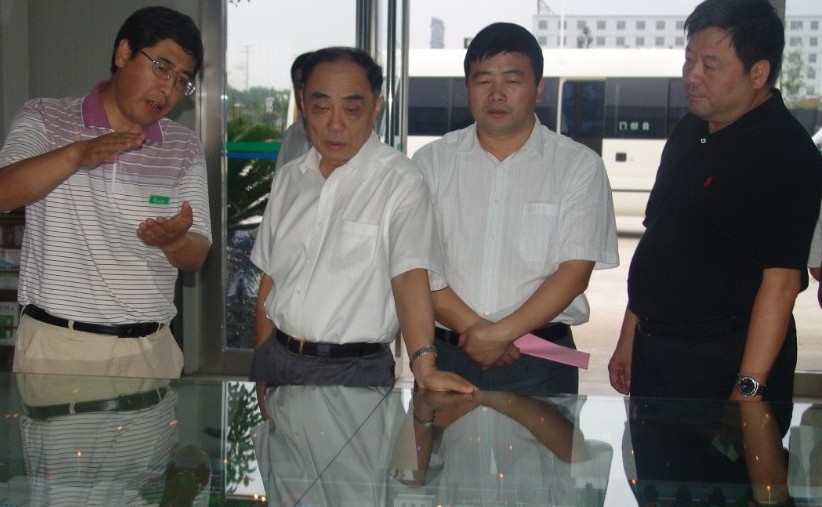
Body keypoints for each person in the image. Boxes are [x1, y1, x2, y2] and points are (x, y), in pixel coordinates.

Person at [608, 0, 822, 406]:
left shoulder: (786, 152)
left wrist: (749, 388)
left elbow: (781, 284)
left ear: (758, 73)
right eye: (689, 60)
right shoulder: (689, 130)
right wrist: (629, 335)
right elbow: (659, 240)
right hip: (656, 350)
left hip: (723, 360)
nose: (692, 76)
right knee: (652, 449)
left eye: (710, 65)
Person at [250, 47, 475, 400]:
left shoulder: (401, 182)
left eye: (352, 109)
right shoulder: (290, 178)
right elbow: (270, 278)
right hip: (279, 358)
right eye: (321, 108)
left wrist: (425, 365)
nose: (335, 125)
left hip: (354, 371)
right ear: (304, 106)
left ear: (376, 107)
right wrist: (262, 361)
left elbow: (409, 277)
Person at [0, 6, 211, 379]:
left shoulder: (184, 146)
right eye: (161, 68)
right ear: (123, 53)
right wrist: (76, 155)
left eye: (182, 80)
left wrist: (175, 241)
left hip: (150, 349)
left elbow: (197, 254)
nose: (168, 90)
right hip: (58, 346)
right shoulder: (45, 116)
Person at [412, 22, 619, 395]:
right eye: (483, 80)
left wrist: (498, 335)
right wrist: (479, 334)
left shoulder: (578, 166)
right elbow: (417, 266)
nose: (496, 94)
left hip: (542, 360)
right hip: (449, 355)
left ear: (538, 88)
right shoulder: (430, 163)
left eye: (512, 80)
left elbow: (575, 272)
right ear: (467, 88)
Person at [274, 51, 314, 172]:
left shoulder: (342, 135)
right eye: (300, 86)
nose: (305, 92)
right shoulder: (291, 134)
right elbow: (279, 180)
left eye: (311, 84)